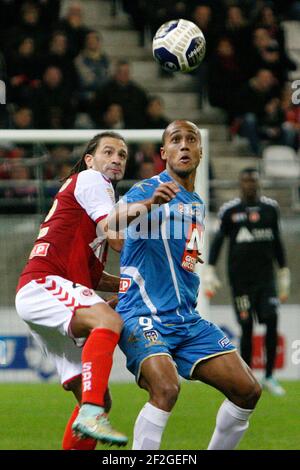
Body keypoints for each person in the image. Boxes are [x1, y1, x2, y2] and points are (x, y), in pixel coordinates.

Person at [108, 120, 262, 450]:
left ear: (200, 151)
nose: (184, 145)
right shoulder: (149, 189)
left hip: (186, 320)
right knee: (166, 389)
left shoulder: (196, 204)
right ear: (164, 153)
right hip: (143, 315)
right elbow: (111, 222)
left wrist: (191, 261)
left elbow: (184, 253)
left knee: (248, 390)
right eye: (175, 140)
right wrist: (149, 205)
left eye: (191, 139)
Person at [15, 131, 129, 449]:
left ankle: (92, 411)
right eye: (109, 152)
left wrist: (128, 286)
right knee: (108, 321)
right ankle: (92, 412)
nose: (117, 158)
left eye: (122, 155)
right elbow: (118, 239)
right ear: (90, 160)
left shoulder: (93, 203)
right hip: (44, 284)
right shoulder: (93, 180)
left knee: (96, 399)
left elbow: (93, 278)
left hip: (47, 290)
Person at [203, 168, 291, 396]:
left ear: (258, 183)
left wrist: (283, 272)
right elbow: (218, 241)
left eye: (253, 181)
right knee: (246, 326)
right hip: (240, 282)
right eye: (245, 181)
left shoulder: (270, 209)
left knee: (271, 320)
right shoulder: (230, 210)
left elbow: (277, 242)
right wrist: (210, 270)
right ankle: (248, 376)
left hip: (266, 280)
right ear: (240, 184)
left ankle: (270, 376)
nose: (249, 185)